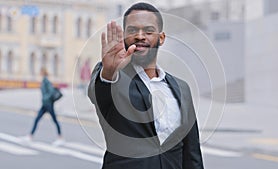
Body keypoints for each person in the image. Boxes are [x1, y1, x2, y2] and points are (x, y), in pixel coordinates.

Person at [88, 2, 204, 169]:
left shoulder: (181, 88)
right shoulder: (113, 78)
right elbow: (99, 91)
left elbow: (192, 153)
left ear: (161, 38)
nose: (140, 36)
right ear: (124, 37)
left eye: (148, 31)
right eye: (132, 31)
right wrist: (109, 71)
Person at [22, 67, 64, 146]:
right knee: (37, 119)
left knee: (54, 120)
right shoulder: (44, 81)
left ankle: (60, 137)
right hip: (45, 104)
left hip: (48, 104)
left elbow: (51, 91)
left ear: (42, 72)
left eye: (40, 72)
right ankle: (30, 136)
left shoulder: (46, 81)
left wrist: (45, 98)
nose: (39, 73)